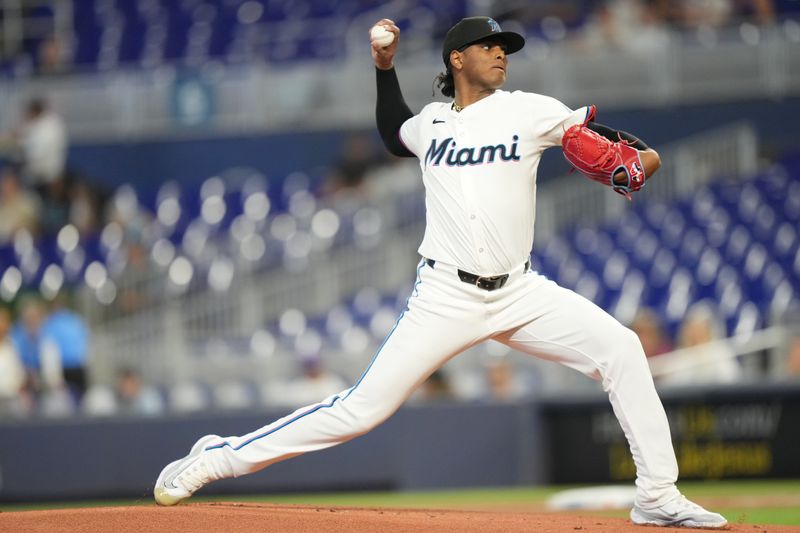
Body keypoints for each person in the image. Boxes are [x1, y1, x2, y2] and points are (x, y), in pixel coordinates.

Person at [153, 16, 726, 529]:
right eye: (489, 45)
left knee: (623, 350)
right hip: (445, 295)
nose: (502, 53)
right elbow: (392, 131)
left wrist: (638, 157)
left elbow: (615, 149)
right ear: (457, 59)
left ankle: (656, 494)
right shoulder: (431, 124)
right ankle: (218, 457)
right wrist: (383, 67)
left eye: (506, 46)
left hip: (520, 292)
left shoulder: (531, 109)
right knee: (359, 410)